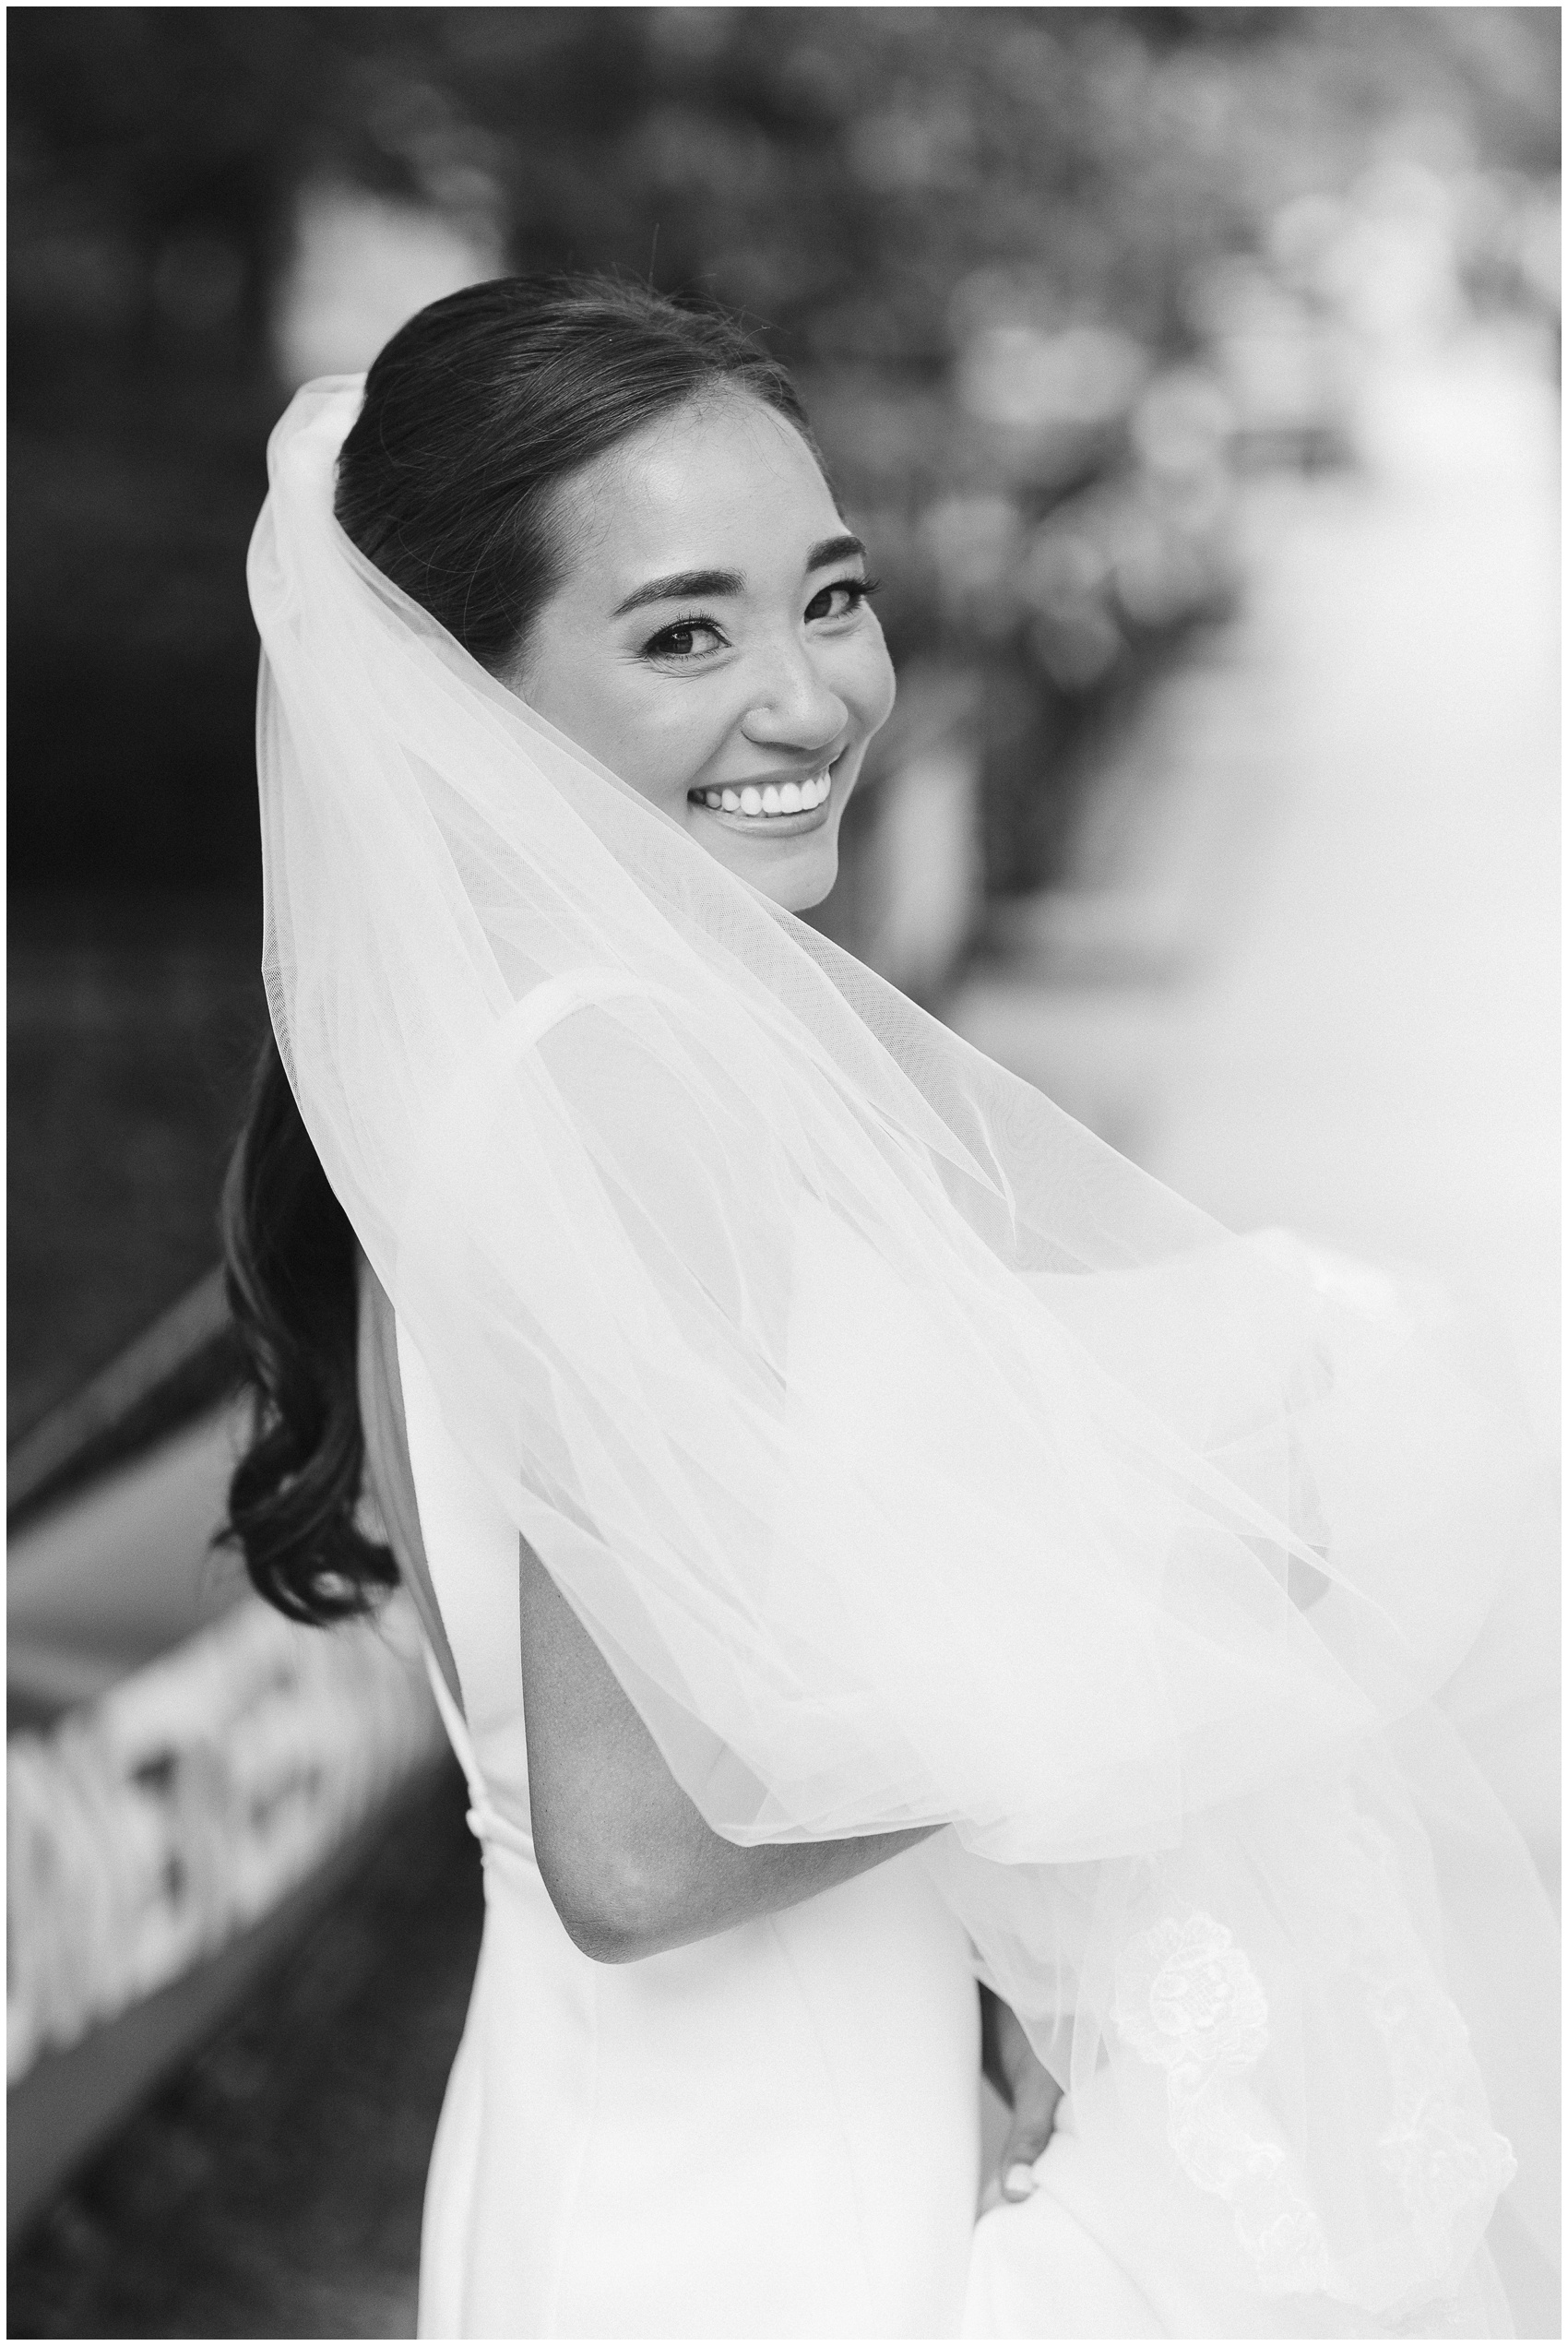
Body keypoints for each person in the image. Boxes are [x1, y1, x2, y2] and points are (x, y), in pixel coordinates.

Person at [224, 277, 1558, 2338]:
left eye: (827, 597)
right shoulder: (622, 1082)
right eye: (684, 632)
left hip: (679, 2139)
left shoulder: (538, 1055)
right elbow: (643, 1844)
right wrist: (1173, 1595)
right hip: (746, 2215)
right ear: (469, 697)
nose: (811, 694)